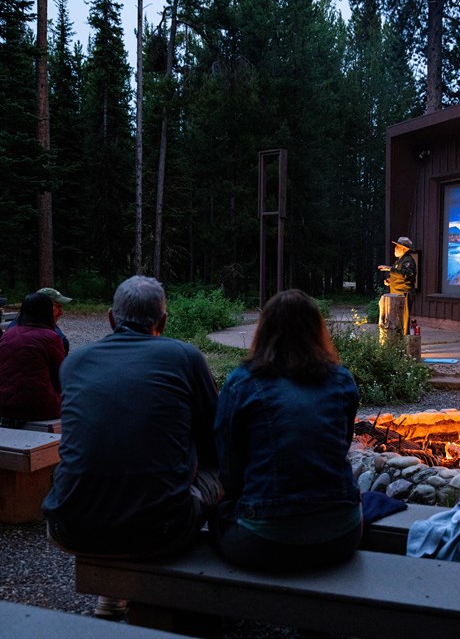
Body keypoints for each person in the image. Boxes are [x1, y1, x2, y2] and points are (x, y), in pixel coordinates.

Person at [42, 276, 222, 617]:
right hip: (162, 531)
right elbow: (216, 432)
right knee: (216, 469)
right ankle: (208, 593)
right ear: (163, 322)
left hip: (68, 525)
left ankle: (113, 593)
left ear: (111, 318)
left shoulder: (76, 361)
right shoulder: (184, 356)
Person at [210, 288, 362, 571]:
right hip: (343, 533)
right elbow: (340, 445)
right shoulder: (341, 379)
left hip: (266, 538)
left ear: (264, 330)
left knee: (212, 519)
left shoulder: (242, 382)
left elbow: (228, 466)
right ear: (318, 330)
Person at [0, 293, 65, 427]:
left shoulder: (8, 334)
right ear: (47, 312)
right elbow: (61, 378)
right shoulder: (51, 338)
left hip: (4, 405)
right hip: (38, 408)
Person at [6, 287, 72, 354]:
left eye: (61, 307)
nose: (61, 313)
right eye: (58, 307)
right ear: (43, 308)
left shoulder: (15, 325)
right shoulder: (56, 339)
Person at [377, 236, 416, 335]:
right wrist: (390, 281)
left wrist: (389, 269)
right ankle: (397, 340)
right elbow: (399, 276)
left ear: (404, 249)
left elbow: (406, 274)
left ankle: (404, 341)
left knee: (403, 319)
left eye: (397, 247)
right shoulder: (400, 260)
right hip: (396, 294)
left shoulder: (408, 261)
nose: (395, 248)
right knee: (396, 318)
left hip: (404, 294)